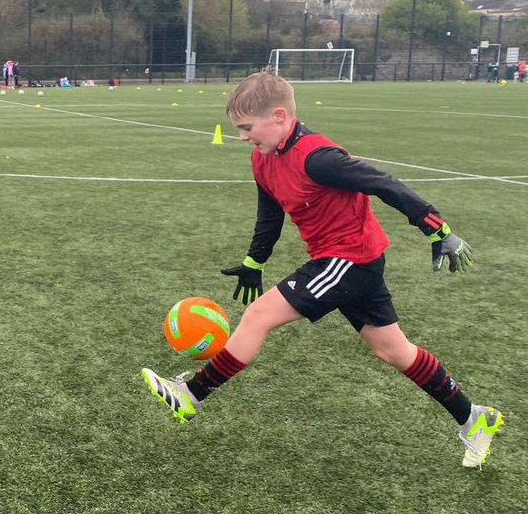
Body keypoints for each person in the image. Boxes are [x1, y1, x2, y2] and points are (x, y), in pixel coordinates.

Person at [139, 71, 501, 469]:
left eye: (247, 127)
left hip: (349, 259)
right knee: (392, 350)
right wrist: (254, 261)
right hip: (348, 261)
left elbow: (383, 184)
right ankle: (474, 417)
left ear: (279, 116)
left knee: (257, 317)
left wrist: (437, 228)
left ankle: (191, 396)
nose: (242, 136)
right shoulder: (263, 160)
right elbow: (270, 213)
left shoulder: (319, 158)